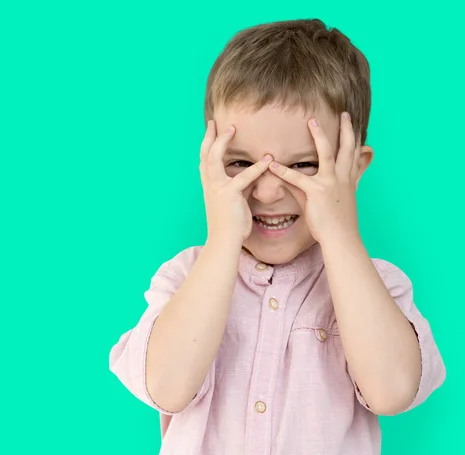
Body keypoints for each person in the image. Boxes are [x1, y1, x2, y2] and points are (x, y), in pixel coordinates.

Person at [109, 18, 446, 455]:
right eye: (238, 164)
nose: (267, 191)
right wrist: (223, 242)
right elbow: (166, 388)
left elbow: (393, 391)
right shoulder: (187, 275)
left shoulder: (377, 284)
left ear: (354, 169)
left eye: (304, 165)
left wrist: (341, 236)